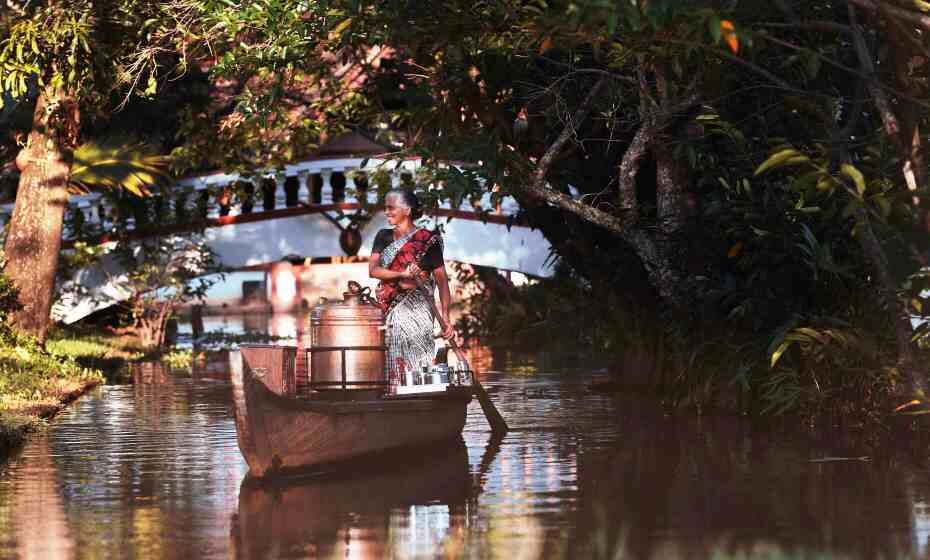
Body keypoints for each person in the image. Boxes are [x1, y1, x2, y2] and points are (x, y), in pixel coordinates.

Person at [369, 189, 454, 384]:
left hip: (420, 309)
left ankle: (422, 392)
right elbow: (373, 270)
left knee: (421, 357)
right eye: (385, 208)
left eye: (391, 208)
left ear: (407, 210)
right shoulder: (383, 237)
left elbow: (442, 281)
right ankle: (396, 389)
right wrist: (402, 274)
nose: (387, 212)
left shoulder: (428, 240)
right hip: (392, 308)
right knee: (393, 353)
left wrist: (446, 318)